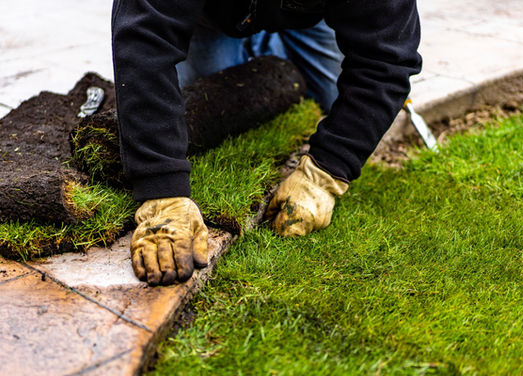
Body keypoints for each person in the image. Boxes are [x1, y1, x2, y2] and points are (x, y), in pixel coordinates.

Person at [111, 0, 422, 286]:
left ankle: (271, 46)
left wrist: (325, 173)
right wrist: (162, 190)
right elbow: (144, 40)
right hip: (213, 12)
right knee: (214, 89)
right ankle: (254, 44)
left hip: (310, 12)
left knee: (330, 95)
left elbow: (386, 61)